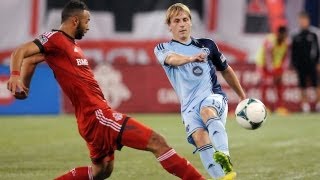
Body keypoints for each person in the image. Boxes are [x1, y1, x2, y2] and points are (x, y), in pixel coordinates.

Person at [6, 1, 206, 180]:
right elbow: (21, 52)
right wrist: (15, 75)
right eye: (87, 21)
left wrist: (25, 86)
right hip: (98, 115)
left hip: (90, 119)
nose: (88, 26)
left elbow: (31, 59)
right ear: (75, 21)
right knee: (157, 142)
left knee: (101, 172)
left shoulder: (66, 47)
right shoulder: (55, 39)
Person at [154, 3, 246, 180]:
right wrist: (190, 58)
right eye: (177, 20)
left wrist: (242, 96)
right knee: (200, 138)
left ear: (190, 22)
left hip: (213, 97)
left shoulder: (207, 45)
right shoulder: (163, 48)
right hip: (189, 107)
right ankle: (223, 177)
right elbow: (171, 60)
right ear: (169, 25)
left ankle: (224, 154)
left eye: (185, 20)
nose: (182, 24)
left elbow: (226, 69)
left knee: (206, 111)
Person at [256, 25, 289, 114]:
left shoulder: (286, 42)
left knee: (279, 84)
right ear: (278, 34)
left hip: (276, 65)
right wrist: (272, 72)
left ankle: (280, 107)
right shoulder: (270, 41)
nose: (284, 37)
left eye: (285, 35)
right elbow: (268, 57)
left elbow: (285, 58)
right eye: (282, 35)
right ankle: (265, 107)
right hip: (263, 65)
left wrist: (281, 71)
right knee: (266, 84)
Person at [291, 12, 320, 112]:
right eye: (301, 20)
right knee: (302, 85)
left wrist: (318, 62)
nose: (303, 22)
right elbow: (293, 52)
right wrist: (293, 64)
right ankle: (305, 106)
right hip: (300, 65)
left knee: (316, 84)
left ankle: (318, 104)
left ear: (308, 21)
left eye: (305, 20)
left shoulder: (313, 34)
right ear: (299, 21)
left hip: (311, 64)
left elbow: (317, 50)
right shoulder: (296, 36)